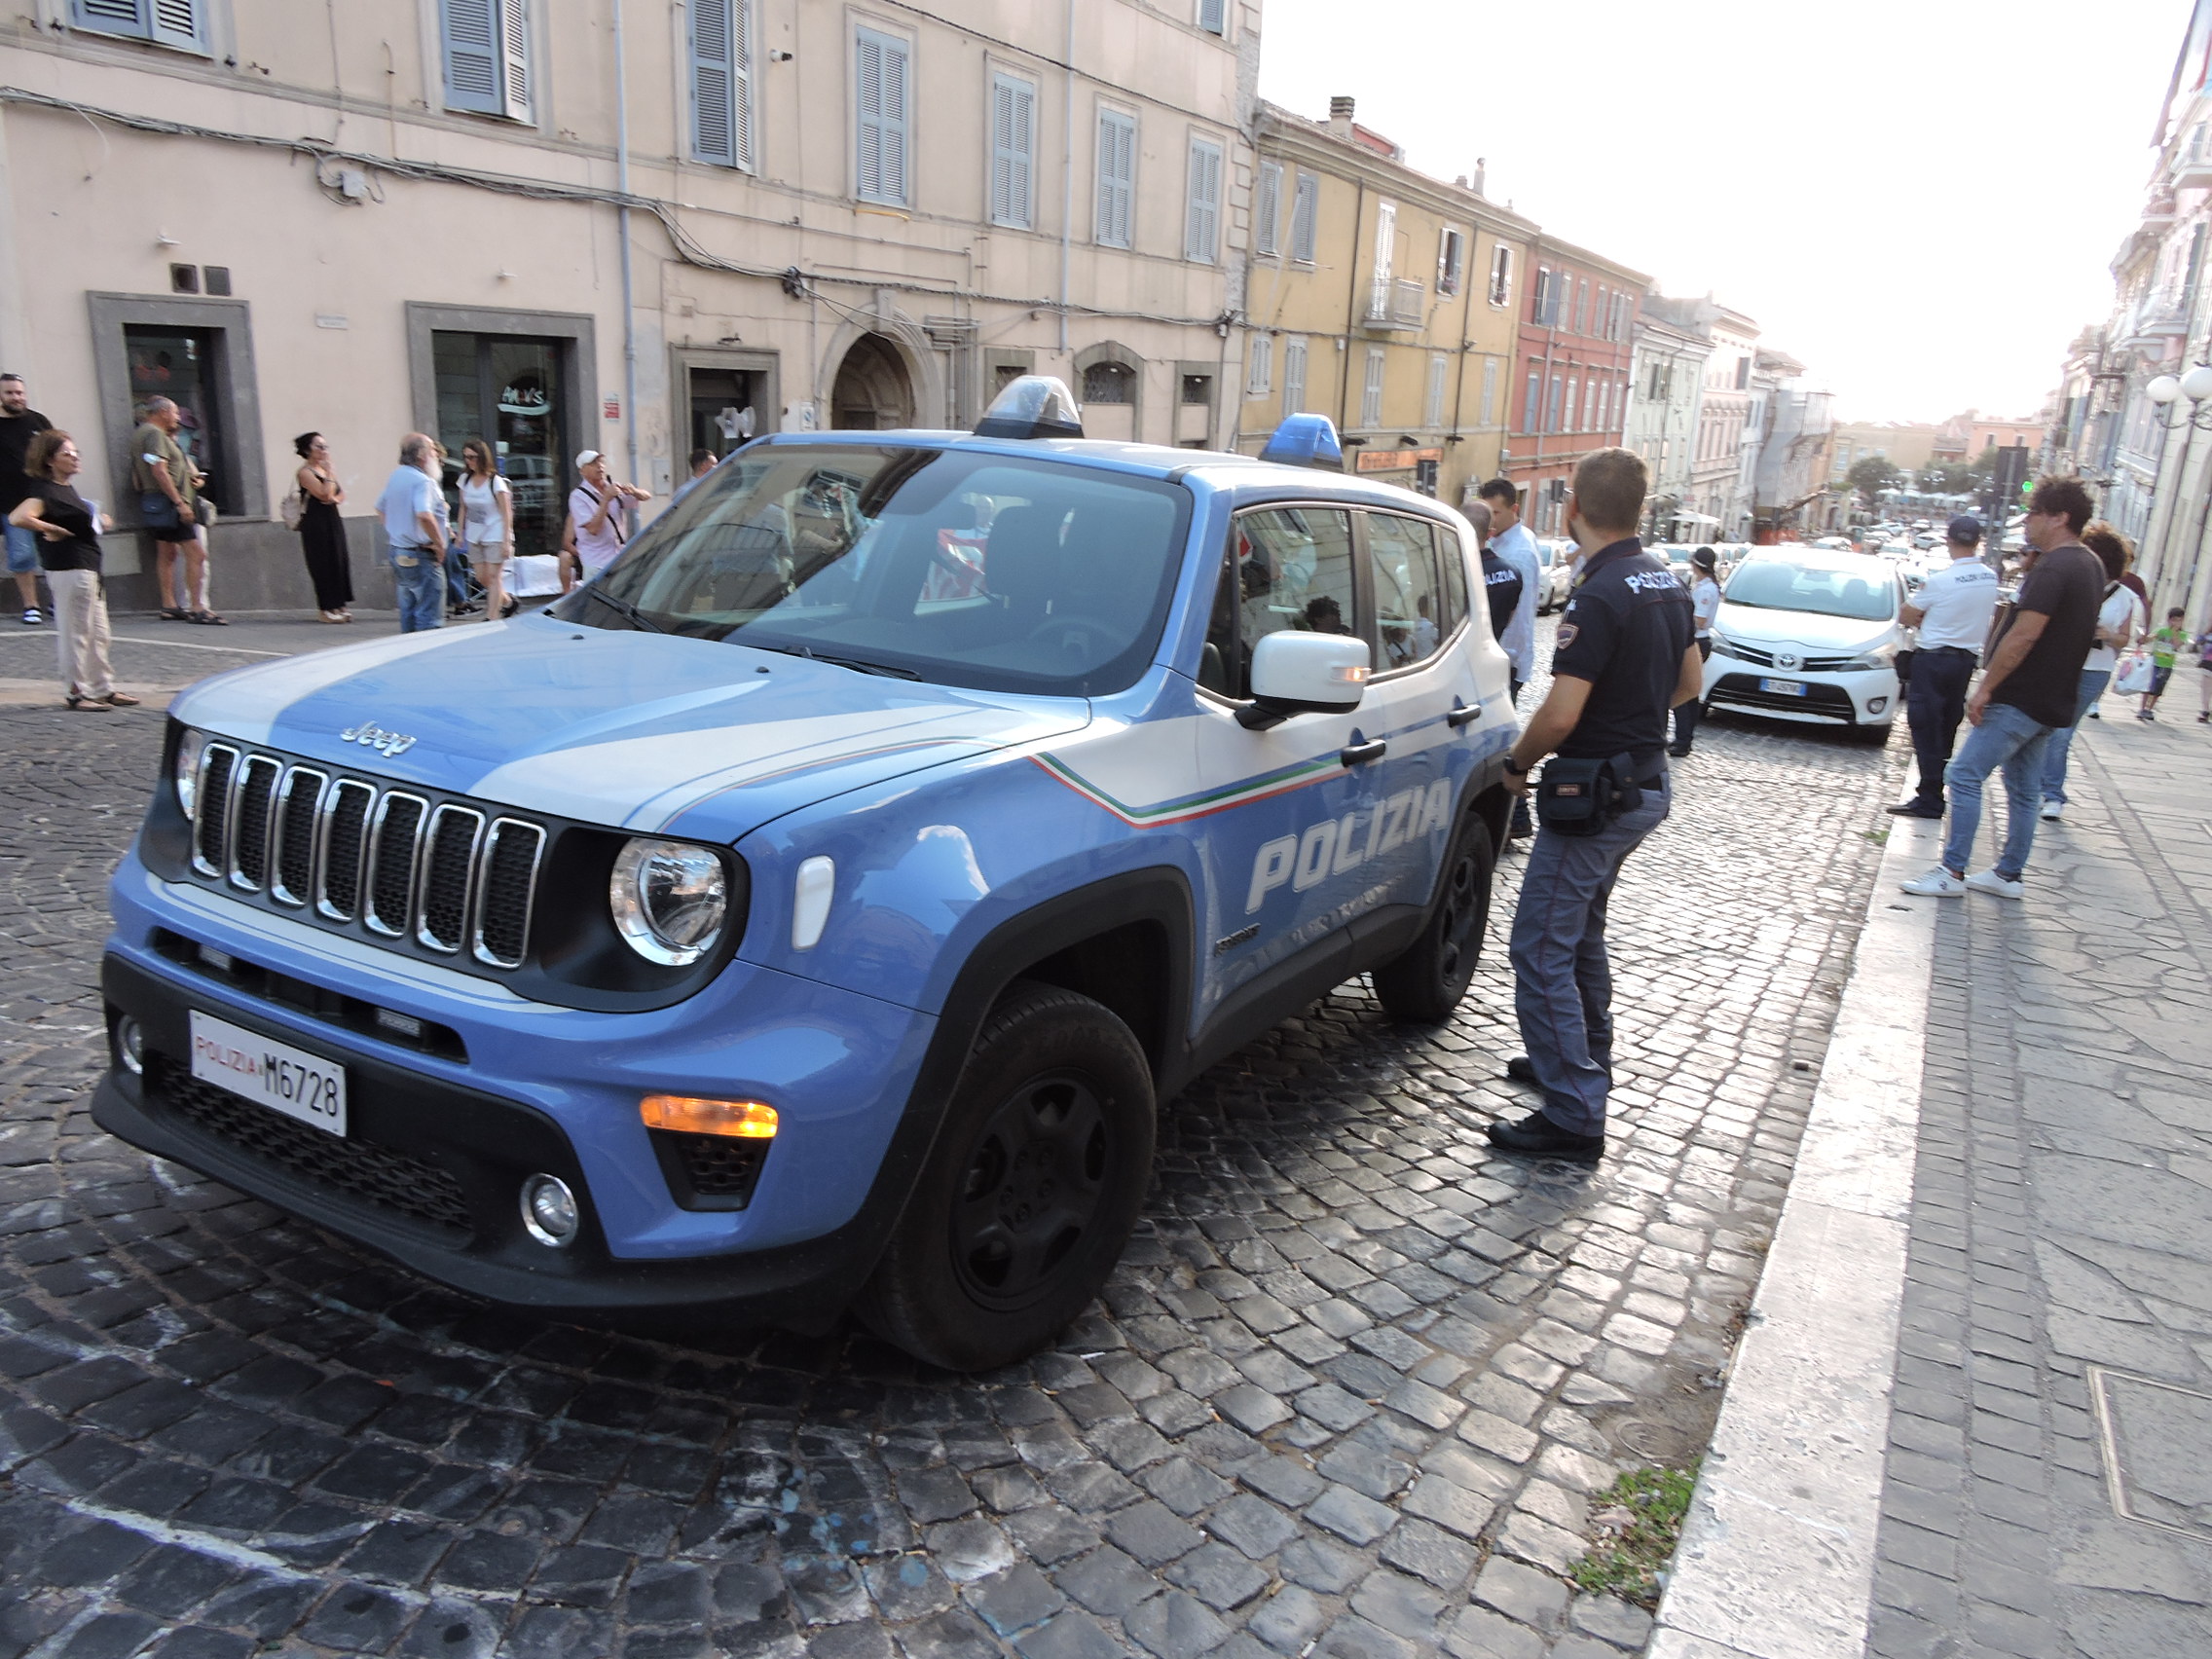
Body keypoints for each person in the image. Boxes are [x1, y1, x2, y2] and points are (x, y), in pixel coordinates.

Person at [1492, 448, 1700, 1162]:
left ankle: (1576, 1112)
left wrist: (1517, 766)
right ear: (1638, 506)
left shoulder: (1601, 591)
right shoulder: (1663, 580)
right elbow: (1689, 680)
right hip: (1642, 781)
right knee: (1578, 934)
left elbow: (1559, 714)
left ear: (1573, 506)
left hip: (1600, 797)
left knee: (1539, 944)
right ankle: (1581, 1060)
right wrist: (1633, 712)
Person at [1901, 478, 2103, 901]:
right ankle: (2008, 874)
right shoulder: (2090, 564)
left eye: (2033, 512)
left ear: (2059, 517)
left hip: (2022, 695)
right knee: (2024, 789)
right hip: (2054, 697)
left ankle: (1952, 872)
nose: (2026, 521)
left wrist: (1986, 687)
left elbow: (2024, 635)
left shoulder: (2053, 565)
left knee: (1964, 774)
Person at [7, 430, 136, 711]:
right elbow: (19, 517)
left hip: (88, 568)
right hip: (70, 568)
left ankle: (102, 688)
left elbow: (82, 521)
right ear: (50, 460)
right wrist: (49, 528)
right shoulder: (44, 490)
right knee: (76, 632)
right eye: (67, 454)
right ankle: (77, 692)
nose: (75, 458)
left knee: (99, 633)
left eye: (76, 453)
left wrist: (99, 519)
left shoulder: (65, 489)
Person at [1887, 515, 2001, 819]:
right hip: (1964, 662)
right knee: (1947, 725)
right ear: (1978, 542)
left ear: (1949, 541)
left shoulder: (1940, 581)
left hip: (1933, 660)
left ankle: (1930, 797)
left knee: (1924, 725)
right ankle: (1936, 789)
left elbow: (1907, 615)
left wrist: (1928, 616)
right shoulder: (1990, 577)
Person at [2039, 525, 2140, 821]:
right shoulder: (2076, 582)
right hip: (2063, 663)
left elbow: (2125, 639)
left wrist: (2107, 634)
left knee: (2061, 732)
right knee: (2045, 728)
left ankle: (2052, 794)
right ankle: (2037, 787)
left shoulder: (2125, 597)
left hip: (2095, 668)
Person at [1479, 478, 1541, 841]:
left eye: (1497, 513)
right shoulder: (1509, 541)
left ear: (1513, 510)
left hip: (1507, 657)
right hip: (1508, 657)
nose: (1491, 520)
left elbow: (1516, 619)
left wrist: (1506, 660)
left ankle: (1515, 817)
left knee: (1501, 739)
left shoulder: (1515, 553)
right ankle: (1516, 819)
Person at [131, 396, 221, 624]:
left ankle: (169, 605)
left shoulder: (143, 433)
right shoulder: (154, 435)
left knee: (167, 554)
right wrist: (180, 503)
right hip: (169, 503)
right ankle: (197, 607)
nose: (178, 418)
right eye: (175, 413)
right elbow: (159, 470)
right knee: (197, 554)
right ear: (162, 413)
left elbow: (147, 467)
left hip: (155, 502)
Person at [375, 433, 450, 634]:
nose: (436, 454)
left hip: (400, 550)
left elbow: (380, 507)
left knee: (408, 608)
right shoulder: (423, 482)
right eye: (432, 449)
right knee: (429, 613)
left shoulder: (398, 476)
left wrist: (397, 531)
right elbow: (424, 514)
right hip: (421, 554)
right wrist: (439, 544)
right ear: (421, 454)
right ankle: (426, 657)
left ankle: (407, 651)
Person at [1, 372, 54, 625]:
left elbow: (57, 450)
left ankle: (57, 602)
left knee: (54, 550)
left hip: (44, 499)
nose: (16, 397)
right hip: (10, 504)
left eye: (20, 392)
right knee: (22, 555)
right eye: (10, 393)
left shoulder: (38, 421)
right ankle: (30, 605)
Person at [567, 450, 649, 586]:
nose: (600, 466)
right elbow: (593, 529)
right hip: (596, 561)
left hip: (620, 557)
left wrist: (634, 492)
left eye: (601, 462)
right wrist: (606, 499)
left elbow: (646, 496)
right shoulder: (577, 497)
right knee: (598, 604)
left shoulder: (612, 486)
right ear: (582, 471)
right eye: (593, 463)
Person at [292, 432, 351, 622]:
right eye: (319, 446)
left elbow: (340, 494)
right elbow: (324, 494)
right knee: (322, 562)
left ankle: (339, 604)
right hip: (315, 522)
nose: (324, 451)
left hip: (332, 519)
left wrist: (334, 494)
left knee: (338, 560)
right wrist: (331, 474)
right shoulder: (305, 472)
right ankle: (326, 608)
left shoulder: (325, 471)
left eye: (326, 446)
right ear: (308, 449)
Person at [1668, 547, 1722, 756]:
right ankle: (1684, 738)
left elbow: (1699, 620)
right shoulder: (1704, 586)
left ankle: (1682, 740)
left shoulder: (1706, 590)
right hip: (1697, 640)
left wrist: (1677, 617)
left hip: (1696, 641)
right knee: (1690, 694)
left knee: (1682, 692)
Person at [456, 438, 516, 622]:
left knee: (494, 575)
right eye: (466, 457)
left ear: (482, 457)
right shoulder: (465, 480)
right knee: (482, 577)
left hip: (495, 532)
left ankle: (492, 617)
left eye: (473, 457)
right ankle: (507, 601)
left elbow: (506, 512)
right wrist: (460, 533)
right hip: (475, 533)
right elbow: (463, 508)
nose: (469, 461)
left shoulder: (495, 482)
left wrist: (506, 539)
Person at [1471, 500, 1523, 642]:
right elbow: (1510, 617)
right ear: (1490, 533)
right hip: (1492, 647)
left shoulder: (1459, 571)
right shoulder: (1512, 573)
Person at [2141, 608, 2187, 720]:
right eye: (2174, 620)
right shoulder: (2161, 631)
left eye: (2179, 620)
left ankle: (2150, 709)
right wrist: (2144, 637)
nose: (2176, 623)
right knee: (2149, 686)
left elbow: (2177, 645)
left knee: (2158, 688)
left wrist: (2175, 632)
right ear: (2169, 620)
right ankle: (2142, 708)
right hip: (2155, 662)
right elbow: (2149, 639)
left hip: (2167, 665)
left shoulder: (2183, 634)